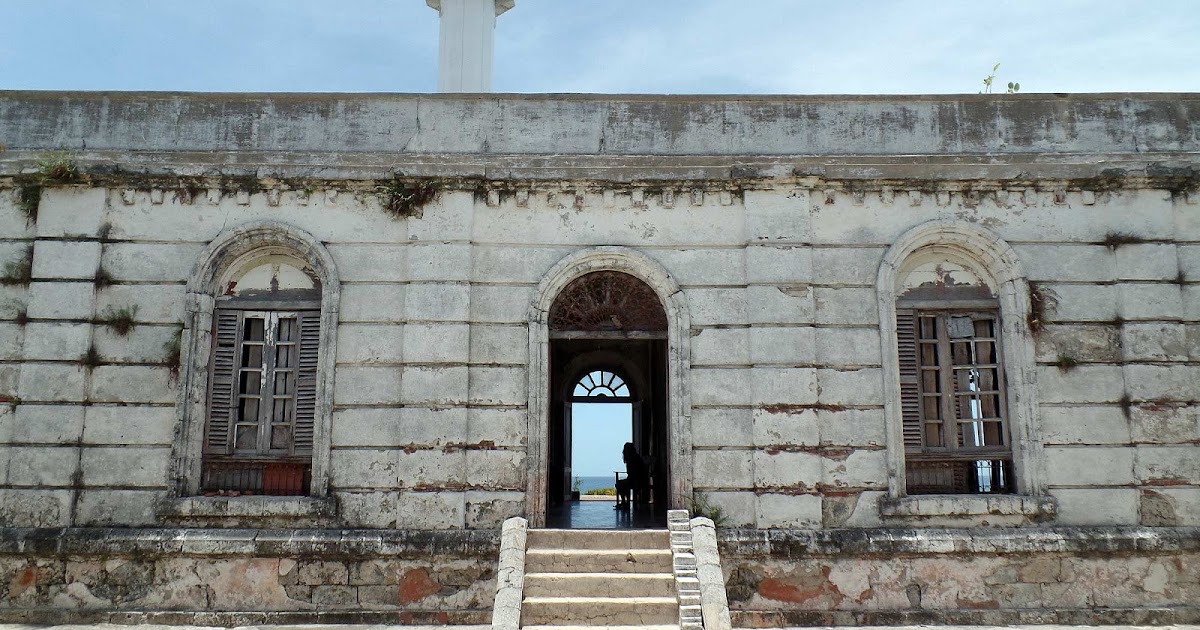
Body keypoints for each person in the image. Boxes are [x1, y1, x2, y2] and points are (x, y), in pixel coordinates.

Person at [614, 442, 649, 509]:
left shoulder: (632, 460)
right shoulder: (636, 458)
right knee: (621, 483)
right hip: (637, 480)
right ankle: (624, 502)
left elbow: (633, 474)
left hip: (637, 481)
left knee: (619, 484)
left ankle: (625, 502)